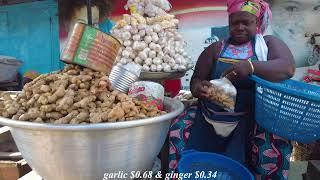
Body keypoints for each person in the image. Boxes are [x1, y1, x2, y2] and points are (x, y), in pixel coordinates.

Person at [169, 0, 296, 179]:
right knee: (178, 130)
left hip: (254, 114)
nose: (240, 27)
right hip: (211, 113)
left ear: (257, 23)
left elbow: (287, 68)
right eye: (234, 23)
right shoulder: (216, 49)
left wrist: (251, 67)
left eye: (246, 22)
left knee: (272, 147)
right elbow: (197, 79)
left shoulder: (268, 44)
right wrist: (199, 88)